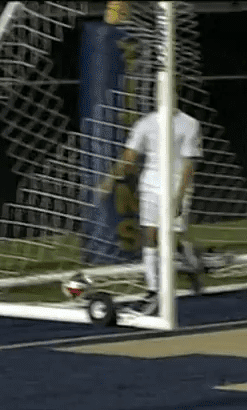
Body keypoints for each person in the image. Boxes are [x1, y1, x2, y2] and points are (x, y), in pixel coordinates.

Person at [98, 84, 205, 313]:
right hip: (151, 185)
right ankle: (154, 290)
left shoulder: (189, 124)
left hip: (177, 185)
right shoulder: (145, 124)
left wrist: (179, 196)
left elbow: (189, 165)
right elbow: (129, 158)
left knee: (171, 237)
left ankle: (190, 264)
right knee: (150, 236)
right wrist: (110, 180)